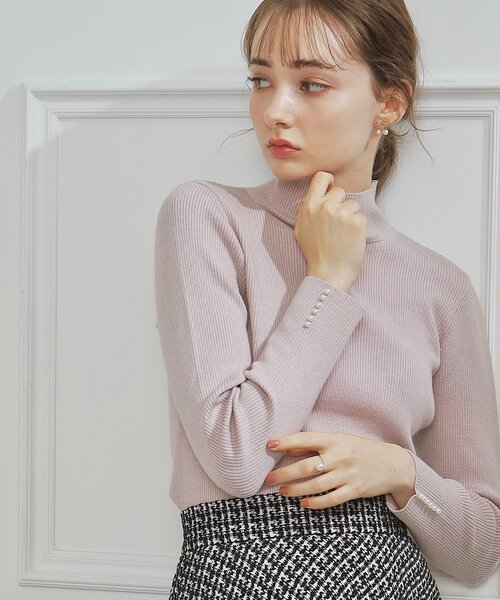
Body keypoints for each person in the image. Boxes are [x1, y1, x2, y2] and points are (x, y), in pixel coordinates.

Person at [154, 1, 500, 597]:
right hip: (238, 572)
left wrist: (401, 471)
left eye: (311, 84)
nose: (275, 110)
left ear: (389, 103)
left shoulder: (440, 285)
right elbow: (235, 457)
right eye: (260, 80)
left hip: (391, 578)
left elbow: (481, 548)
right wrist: (329, 280)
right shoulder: (209, 216)